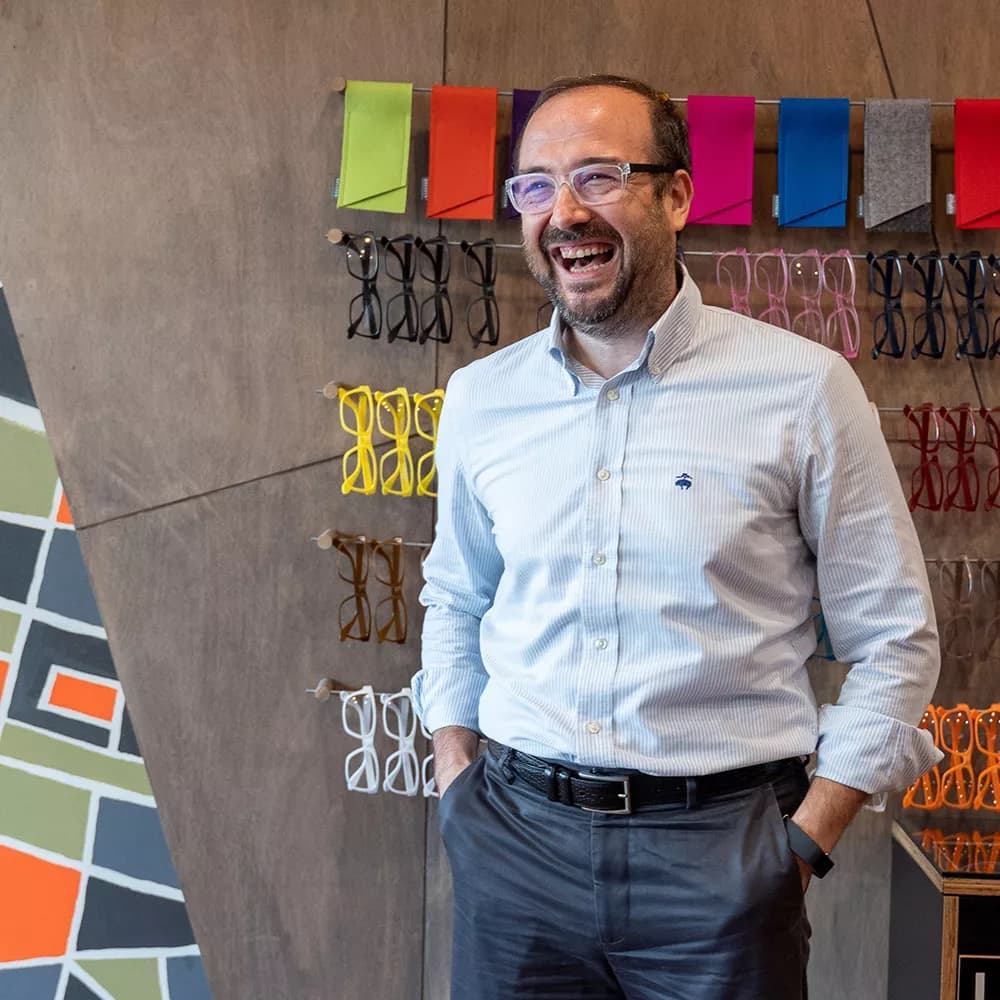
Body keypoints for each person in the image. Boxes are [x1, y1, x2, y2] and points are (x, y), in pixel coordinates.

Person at [412, 74, 941, 1000]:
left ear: (678, 196)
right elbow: (457, 596)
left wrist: (804, 842)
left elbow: (896, 636)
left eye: (600, 177)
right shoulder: (482, 400)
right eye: (534, 185)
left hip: (721, 860)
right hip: (514, 848)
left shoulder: (803, 390)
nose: (563, 212)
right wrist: (458, 780)